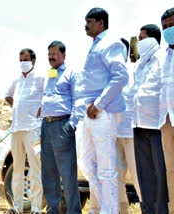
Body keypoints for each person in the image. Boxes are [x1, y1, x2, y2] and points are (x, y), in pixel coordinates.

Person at [77, 8, 128, 214]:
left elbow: (121, 77)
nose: (85, 25)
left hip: (102, 113)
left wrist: (99, 104)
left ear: (100, 22)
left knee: (107, 170)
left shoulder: (111, 43)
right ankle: (108, 208)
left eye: (89, 21)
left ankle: (110, 211)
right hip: (90, 114)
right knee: (87, 165)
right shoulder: (96, 45)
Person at [40, 41, 82, 214]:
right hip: (46, 125)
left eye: (55, 53)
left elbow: (78, 99)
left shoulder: (71, 73)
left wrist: (71, 124)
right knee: (48, 172)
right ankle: (52, 210)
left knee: (67, 173)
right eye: (49, 53)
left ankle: (73, 211)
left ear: (64, 55)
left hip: (62, 125)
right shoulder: (49, 74)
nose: (51, 56)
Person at [132, 24, 168, 214]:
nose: (138, 42)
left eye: (141, 38)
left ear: (153, 40)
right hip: (138, 125)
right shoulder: (139, 64)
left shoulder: (164, 59)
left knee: (160, 174)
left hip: (156, 125)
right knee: (144, 175)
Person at [4, 48, 44, 214]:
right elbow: (7, 95)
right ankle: (16, 207)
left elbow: (48, 97)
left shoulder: (41, 78)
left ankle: (35, 208)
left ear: (33, 61)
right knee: (17, 169)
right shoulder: (16, 79)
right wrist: (17, 108)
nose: (23, 62)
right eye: (21, 59)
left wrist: (37, 114)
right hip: (16, 130)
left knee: (35, 169)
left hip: (33, 129)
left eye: (26, 59)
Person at [115, 38, 142, 213]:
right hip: (113, 134)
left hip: (132, 132)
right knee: (116, 179)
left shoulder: (135, 69)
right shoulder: (108, 74)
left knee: (140, 178)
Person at [159, 7, 174, 214]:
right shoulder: (162, 57)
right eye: (165, 27)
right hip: (166, 120)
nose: (169, 30)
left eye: (172, 25)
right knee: (170, 170)